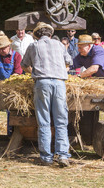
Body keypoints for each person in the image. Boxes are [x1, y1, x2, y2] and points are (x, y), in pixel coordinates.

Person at [21, 22, 72, 167]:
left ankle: (46, 157)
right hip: (59, 82)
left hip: (42, 83)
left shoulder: (33, 46)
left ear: (36, 35)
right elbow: (69, 61)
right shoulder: (60, 45)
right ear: (50, 34)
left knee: (44, 120)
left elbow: (23, 65)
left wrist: (34, 73)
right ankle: (62, 155)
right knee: (61, 120)